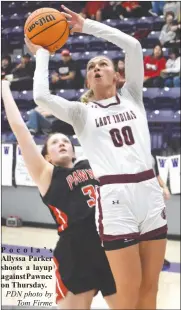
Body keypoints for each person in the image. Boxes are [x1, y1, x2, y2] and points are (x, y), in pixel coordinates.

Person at [26, 6, 168, 309]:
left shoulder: (132, 96)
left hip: (148, 191)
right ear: (87, 82)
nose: (96, 69)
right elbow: (41, 97)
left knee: (150, 290)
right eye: (90, 68)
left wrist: (87, 26)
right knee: (128, 294)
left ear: (117, 76)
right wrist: (42, 52)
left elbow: (133, 46)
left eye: (102, 64)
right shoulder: (81, 112)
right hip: (115, 198)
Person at [1, 80, 117, 309]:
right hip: (76, 251)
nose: (62, 143)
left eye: (65, 141)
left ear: (74, 150)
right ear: (47, 156)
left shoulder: (90, 162)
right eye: (54, 143)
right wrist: (4, 86)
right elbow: (20, 130)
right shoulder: (46, 173)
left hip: (111, 245)